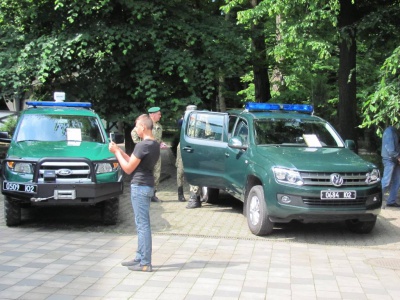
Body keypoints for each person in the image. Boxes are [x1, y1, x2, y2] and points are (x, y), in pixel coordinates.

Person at [110, 114, 160, 272]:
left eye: (137, 126)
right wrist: (119, 151)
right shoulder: (154, 144)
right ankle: (139, 257)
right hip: (147, 185)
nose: (135, 129)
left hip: (140, 186)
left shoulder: (142, 145)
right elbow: (133, 160)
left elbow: (128, 168)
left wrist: (116, 152)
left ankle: (145, 262)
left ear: (143, 127)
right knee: (141, 224)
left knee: (143, 225)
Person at [132, 107, 163, 202]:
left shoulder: (159, 126)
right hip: (145, 153)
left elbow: (158, 138)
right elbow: (133, 133)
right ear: (152, 114)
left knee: (157, 173)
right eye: (159, 114)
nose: (160, 116)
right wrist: (139, 144)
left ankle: (153, 193)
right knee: (147, 172)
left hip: (155, 152)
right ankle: (146, 193)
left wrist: (161, 143)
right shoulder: (145, 124)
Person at [176, 105, 198, 204]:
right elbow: (179, 123)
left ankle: (194, 195)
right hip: (182, 148)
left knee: (193, 171)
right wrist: (184, 118)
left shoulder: (200, 122)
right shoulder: (184, 121)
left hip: (194, 148)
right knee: (180, 171)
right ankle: (180, 193)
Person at [381, 125, 400, 208]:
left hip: (395, 159)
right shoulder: (389, 132)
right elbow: (390, 150)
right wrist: (399, 157)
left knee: (397, 180)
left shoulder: (395, 131)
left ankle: (391, 201)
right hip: (389, 159)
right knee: (386, 181)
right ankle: (378, 199)